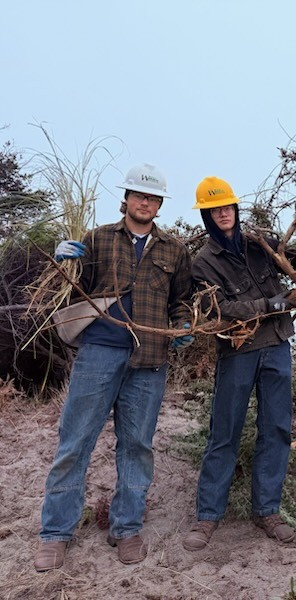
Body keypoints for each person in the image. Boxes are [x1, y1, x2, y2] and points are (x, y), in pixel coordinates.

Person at [34, 164, 193, 571]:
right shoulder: (98, 239)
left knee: (137, 446)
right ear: (126, 199)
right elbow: (75, 291)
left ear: (159, 205)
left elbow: (180, 300)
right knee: (75, 442)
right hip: (99, 353)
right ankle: (55, 533)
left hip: (151, 359)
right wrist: (61, 259)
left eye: (153, 198)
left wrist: (182, 325)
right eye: (139, 196)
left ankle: (126, 528)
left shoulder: (174, 250)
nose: (145, 203)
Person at [182, 177, 296, 550]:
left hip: (276, 346)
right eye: (216, 209)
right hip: (238, 353)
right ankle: (207, 518)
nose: (224, 213)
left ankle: (267, 511)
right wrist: (270, 305)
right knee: (224, 433)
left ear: (236, 210)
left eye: (228, 207)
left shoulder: (260, 242)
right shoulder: (204, 262)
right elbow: (220, 311)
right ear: (207, 216)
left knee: (276, 429)